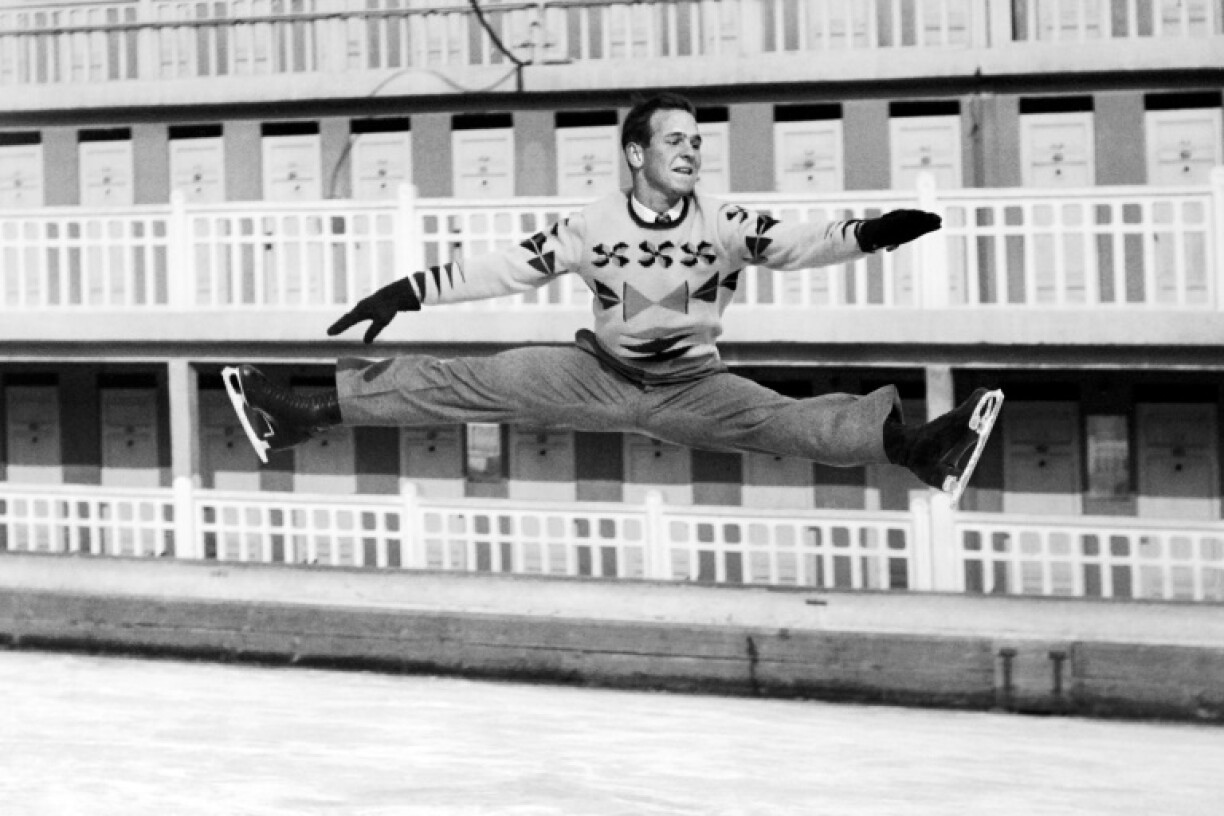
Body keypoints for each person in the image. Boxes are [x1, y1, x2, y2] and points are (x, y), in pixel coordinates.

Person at [223, 92, 1002, 504]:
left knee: (787, 421)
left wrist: (872, 233)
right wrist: (406, 291)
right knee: (474, 379)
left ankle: (921, 450)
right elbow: (506, 268)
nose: (692, 151)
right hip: (594, 374)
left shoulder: (725, 222)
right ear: (637, 153)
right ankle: (303, 413)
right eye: (676, 140)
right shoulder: (589, 225)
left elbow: (796, 242)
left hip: (694, 388)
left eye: (698, 141)